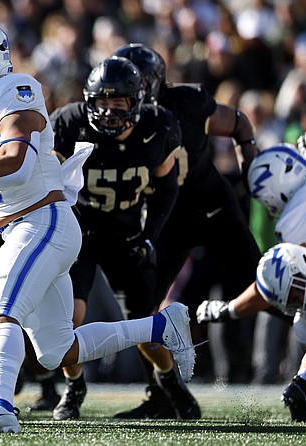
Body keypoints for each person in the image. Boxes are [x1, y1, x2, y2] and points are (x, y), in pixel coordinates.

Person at [0, 18, 196, 434]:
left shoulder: (14, 91)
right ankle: (162, 325)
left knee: (0, 312)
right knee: (56, 351)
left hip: (42, 221)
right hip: (20, 227)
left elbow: (16, 165)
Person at [105, 43, 262, 420]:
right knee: (140, 305)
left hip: (213, 206)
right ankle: (162, 393)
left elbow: (239, 123)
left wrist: (250, 168)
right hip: (168, 216)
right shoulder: (119, 117)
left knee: (269, 287)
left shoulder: (187, 100)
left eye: (134, 83)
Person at [48, 55, 182, 420]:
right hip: (80, 233)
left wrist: (150, 235)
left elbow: (166, 188)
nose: (107, 112)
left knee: (143, 324)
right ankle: (74, 386)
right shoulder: (71, 123)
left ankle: (169, 382)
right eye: (101, 103)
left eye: (117, 103)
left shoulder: (158, 128)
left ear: (136, 103)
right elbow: (47, 177)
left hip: (127, 234)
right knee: (66, 321)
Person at [197, 143, 306, 422]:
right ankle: (305, 382)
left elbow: (276, 281)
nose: (271, 210)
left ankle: (305, 383)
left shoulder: (293, 222)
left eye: (269, 202)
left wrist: (230, 309)